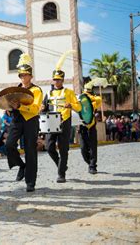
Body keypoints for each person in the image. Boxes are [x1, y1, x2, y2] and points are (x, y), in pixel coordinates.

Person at [5, 53, 43, 192]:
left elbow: (35, 109)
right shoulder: (15, 90)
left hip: (30, 121)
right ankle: (21, 165)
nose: (23, 77)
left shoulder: (36, 90)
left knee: (30, 151)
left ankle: (30, 182)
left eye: (25, 75)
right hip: (17, 120)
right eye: (21, 75)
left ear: (31, 76)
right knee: (9, 145)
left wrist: (20, 107)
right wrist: (8, 109)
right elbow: (8, 103)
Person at [42, 51, 82, 183]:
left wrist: (71, 105)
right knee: (49, 147)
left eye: (58, 79)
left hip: (64, 121)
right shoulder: (48, 93)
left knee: (63, 149)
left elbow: (79, 107)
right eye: (54, 79)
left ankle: (61, 174)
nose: (56, 81)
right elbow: (44, 108)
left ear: (62, 80)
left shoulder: (69, 92)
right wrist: (42, 108)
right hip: (51, 122)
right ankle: (62, 165)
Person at [79, 80, 102, 174]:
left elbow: (97, 101)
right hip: (82, 125)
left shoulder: (96, 99)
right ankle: (89, 162)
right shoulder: (80, 98)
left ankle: (93, 166)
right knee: (83, 148)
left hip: (92, 125)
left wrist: (88, 96)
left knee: (93, 147)